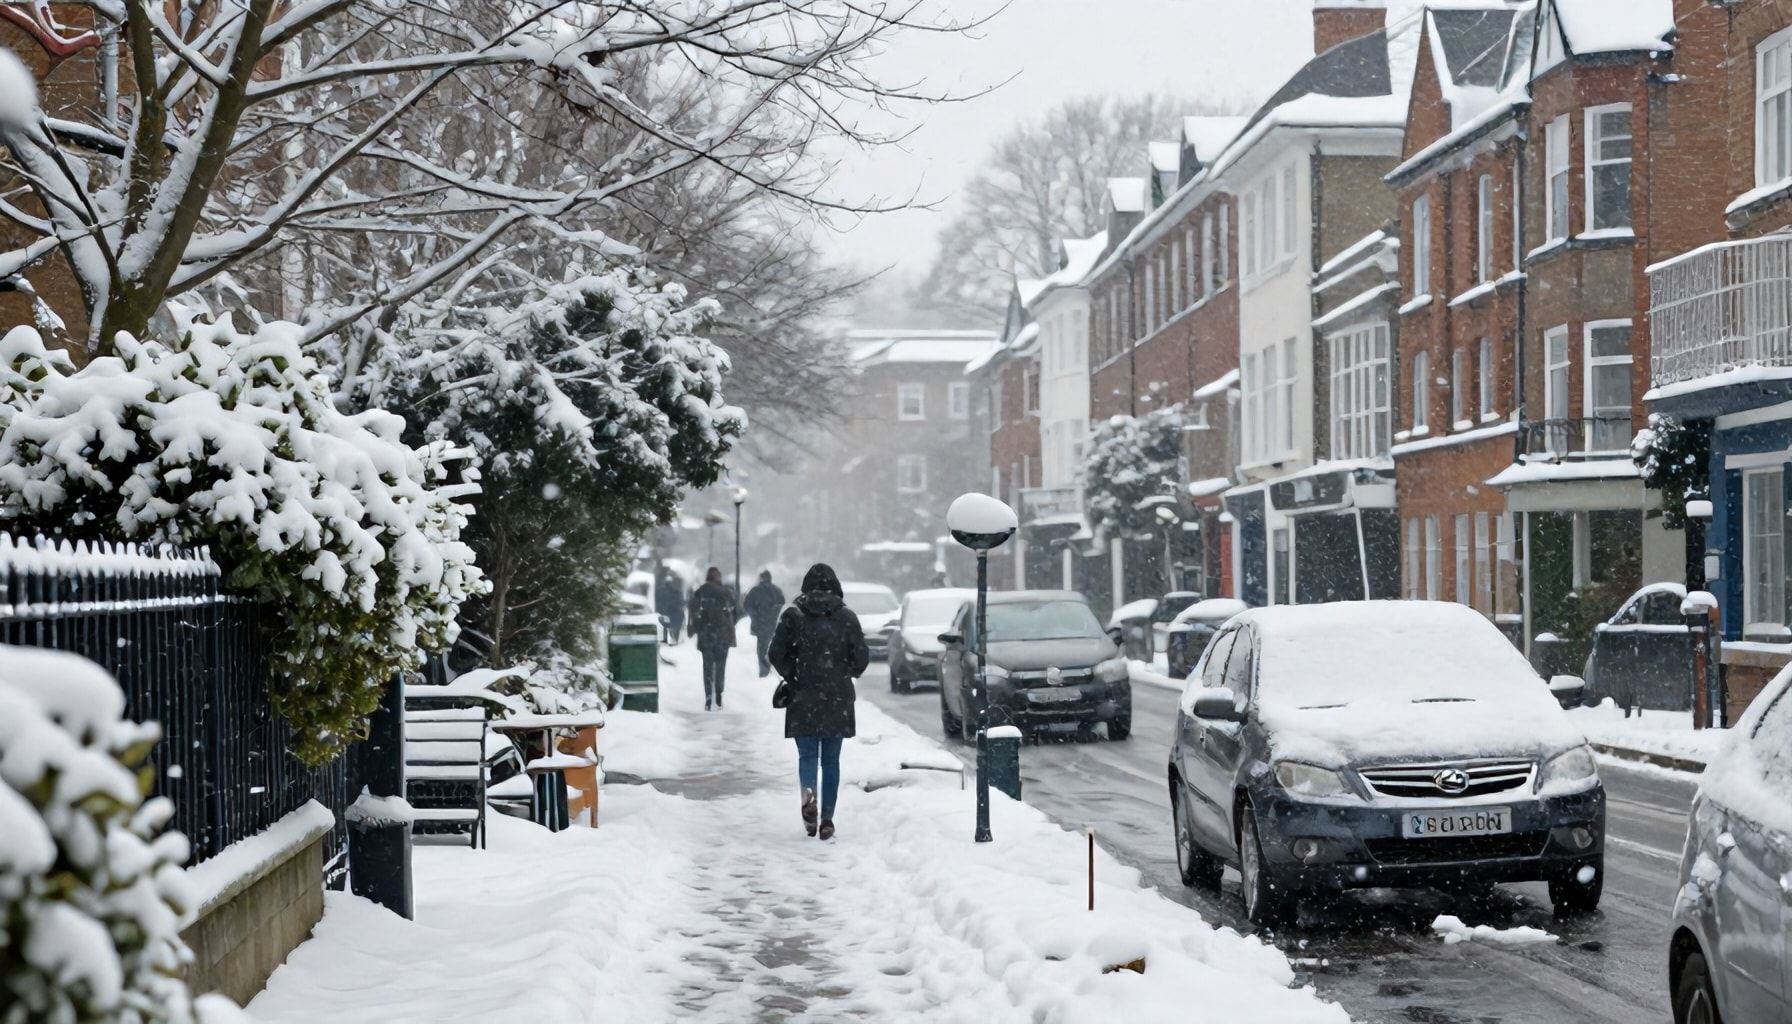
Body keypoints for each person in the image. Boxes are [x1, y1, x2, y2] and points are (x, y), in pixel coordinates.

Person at [768, 563, 869, 840]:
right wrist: (844, 672)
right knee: (832, 761)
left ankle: (808, 796)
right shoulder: (847, 618)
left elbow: (775, 653)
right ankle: (827, 819)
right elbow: (861, 659)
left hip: (804, 696)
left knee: (808, 755)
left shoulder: (794, 615)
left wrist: (793, 673)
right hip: (837, 697)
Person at [687, 567, 736, 710]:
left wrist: (696, 626)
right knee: (721, 667)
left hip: (706, 636)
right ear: (718, 577)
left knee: (707, 668)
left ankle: (708, 698)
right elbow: (735, 611)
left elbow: (692, 609)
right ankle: (719, 696)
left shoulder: (700, 591)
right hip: (722, 636)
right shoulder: (725, 592)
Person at [743, 570, 786, 678]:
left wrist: (755, 615)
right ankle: (771, 669)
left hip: (760, 625)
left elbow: (747, 605)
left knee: (762, 649)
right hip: (773, 624)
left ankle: (764, 671)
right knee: (773, 647)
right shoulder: (776, 590)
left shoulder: (755, 591)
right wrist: (774, 614)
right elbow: (782, 604)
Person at [655, 565, 685, 643]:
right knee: (671, 623)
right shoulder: (674, 591)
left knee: (668, 623)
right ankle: (672, 637)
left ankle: (669, 637)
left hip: (668, 610)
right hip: (670, 611)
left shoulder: (662, 590)